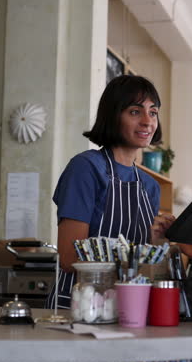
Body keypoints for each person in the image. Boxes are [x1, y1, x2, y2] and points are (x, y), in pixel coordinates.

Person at [45, 75, 176, 309]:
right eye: (135, 112)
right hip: (79, 307)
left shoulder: (150, 186)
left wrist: (156, 243)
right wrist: (135, 263)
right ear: (113, 116)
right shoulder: (86, 168)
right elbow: (68, 259)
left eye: (153, 112)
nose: (148, 121)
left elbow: (143, 262)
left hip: (127, 308)